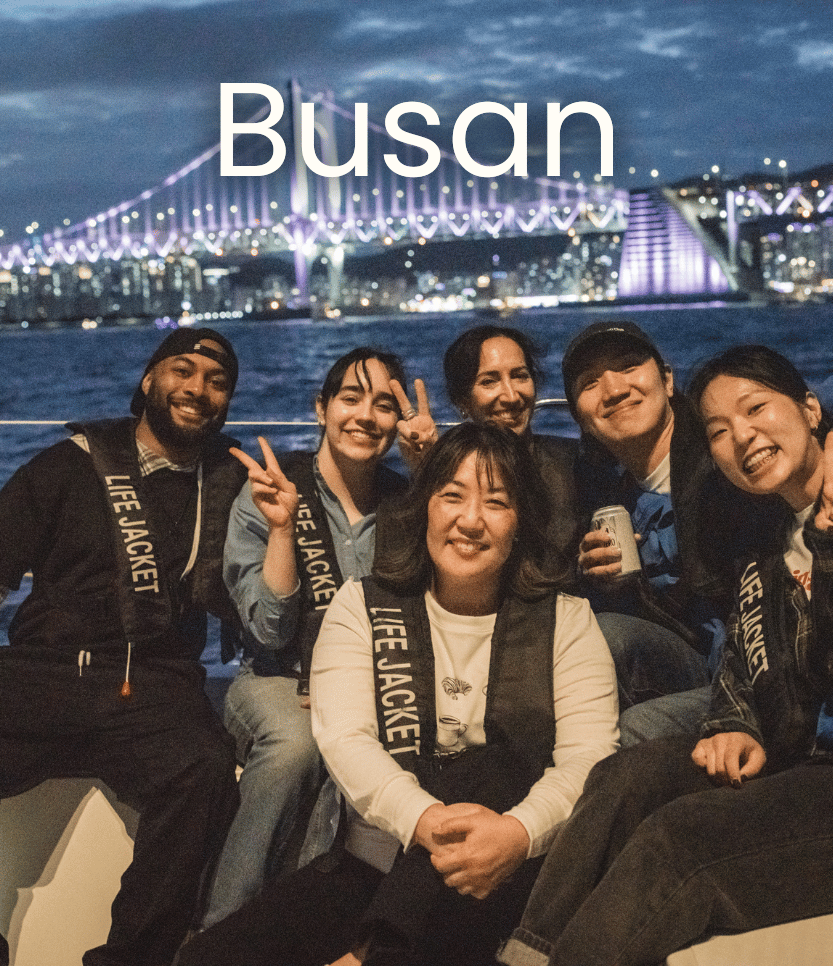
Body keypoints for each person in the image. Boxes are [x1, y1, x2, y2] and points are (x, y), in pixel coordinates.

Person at [178, 421, 619, 966]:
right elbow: (346, 740)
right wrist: (423, 821)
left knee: (498, 762)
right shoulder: (360, 606)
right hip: (373, 867)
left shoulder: (567, 621)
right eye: (452, 496)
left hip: (504, 874)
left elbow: (588, 758)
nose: (470, 519)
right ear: (424, 508)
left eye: (497, 503)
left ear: (522, 522)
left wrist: (518, 834)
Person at [497, 344, 833, 966]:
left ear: (811, 409)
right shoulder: (769, 531)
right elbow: (745, 642)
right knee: (625, 778)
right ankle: (527, 952)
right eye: (719, 432)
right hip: (797, 749)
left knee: (678, 843)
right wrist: (734, 719)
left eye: (757, 409)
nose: (743, 438)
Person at [0, 328, 245, 966]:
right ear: (147, 381)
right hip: (42, 674)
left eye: (217, 381)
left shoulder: (233, 482)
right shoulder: (67, 465)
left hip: (154, 688)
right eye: (182, 370)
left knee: (207, 772)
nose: (197, 388)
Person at [201, 347, 409, 928]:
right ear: (321, 409)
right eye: (350, 398)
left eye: (384, 405)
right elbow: (267, 633)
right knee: (301, 746)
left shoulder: (408, 507)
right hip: (276, 679)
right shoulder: (269, 492)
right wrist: (282, 530)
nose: (366, 416)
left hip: (372, 683)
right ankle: (225, 930)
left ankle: (321, 933)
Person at [561, 320, 777, 741]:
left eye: (627, 367)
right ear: (580, 419)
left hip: (761, 667)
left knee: (634, 730)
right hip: (698, 657)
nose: (614, 390)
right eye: (590, 382)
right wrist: (604, 584)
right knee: (595, 634)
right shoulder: (604, 489)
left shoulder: (725, 453)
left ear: (668, 380)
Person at [395, 324, 584, 568]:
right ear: (462, 400)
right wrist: (426, 470)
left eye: (520, 376)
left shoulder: (576, 465)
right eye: (489, 381)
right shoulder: (444, 477)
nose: (511, 396)